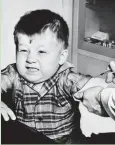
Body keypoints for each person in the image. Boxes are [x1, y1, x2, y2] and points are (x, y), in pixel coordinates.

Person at [1, 9, 114, 144]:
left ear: (61, 57)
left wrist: (102, 94)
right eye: (24, 50)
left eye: (41, 51)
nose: (30, 59)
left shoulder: (66, 78)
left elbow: (92, 86)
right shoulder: (12, 74)